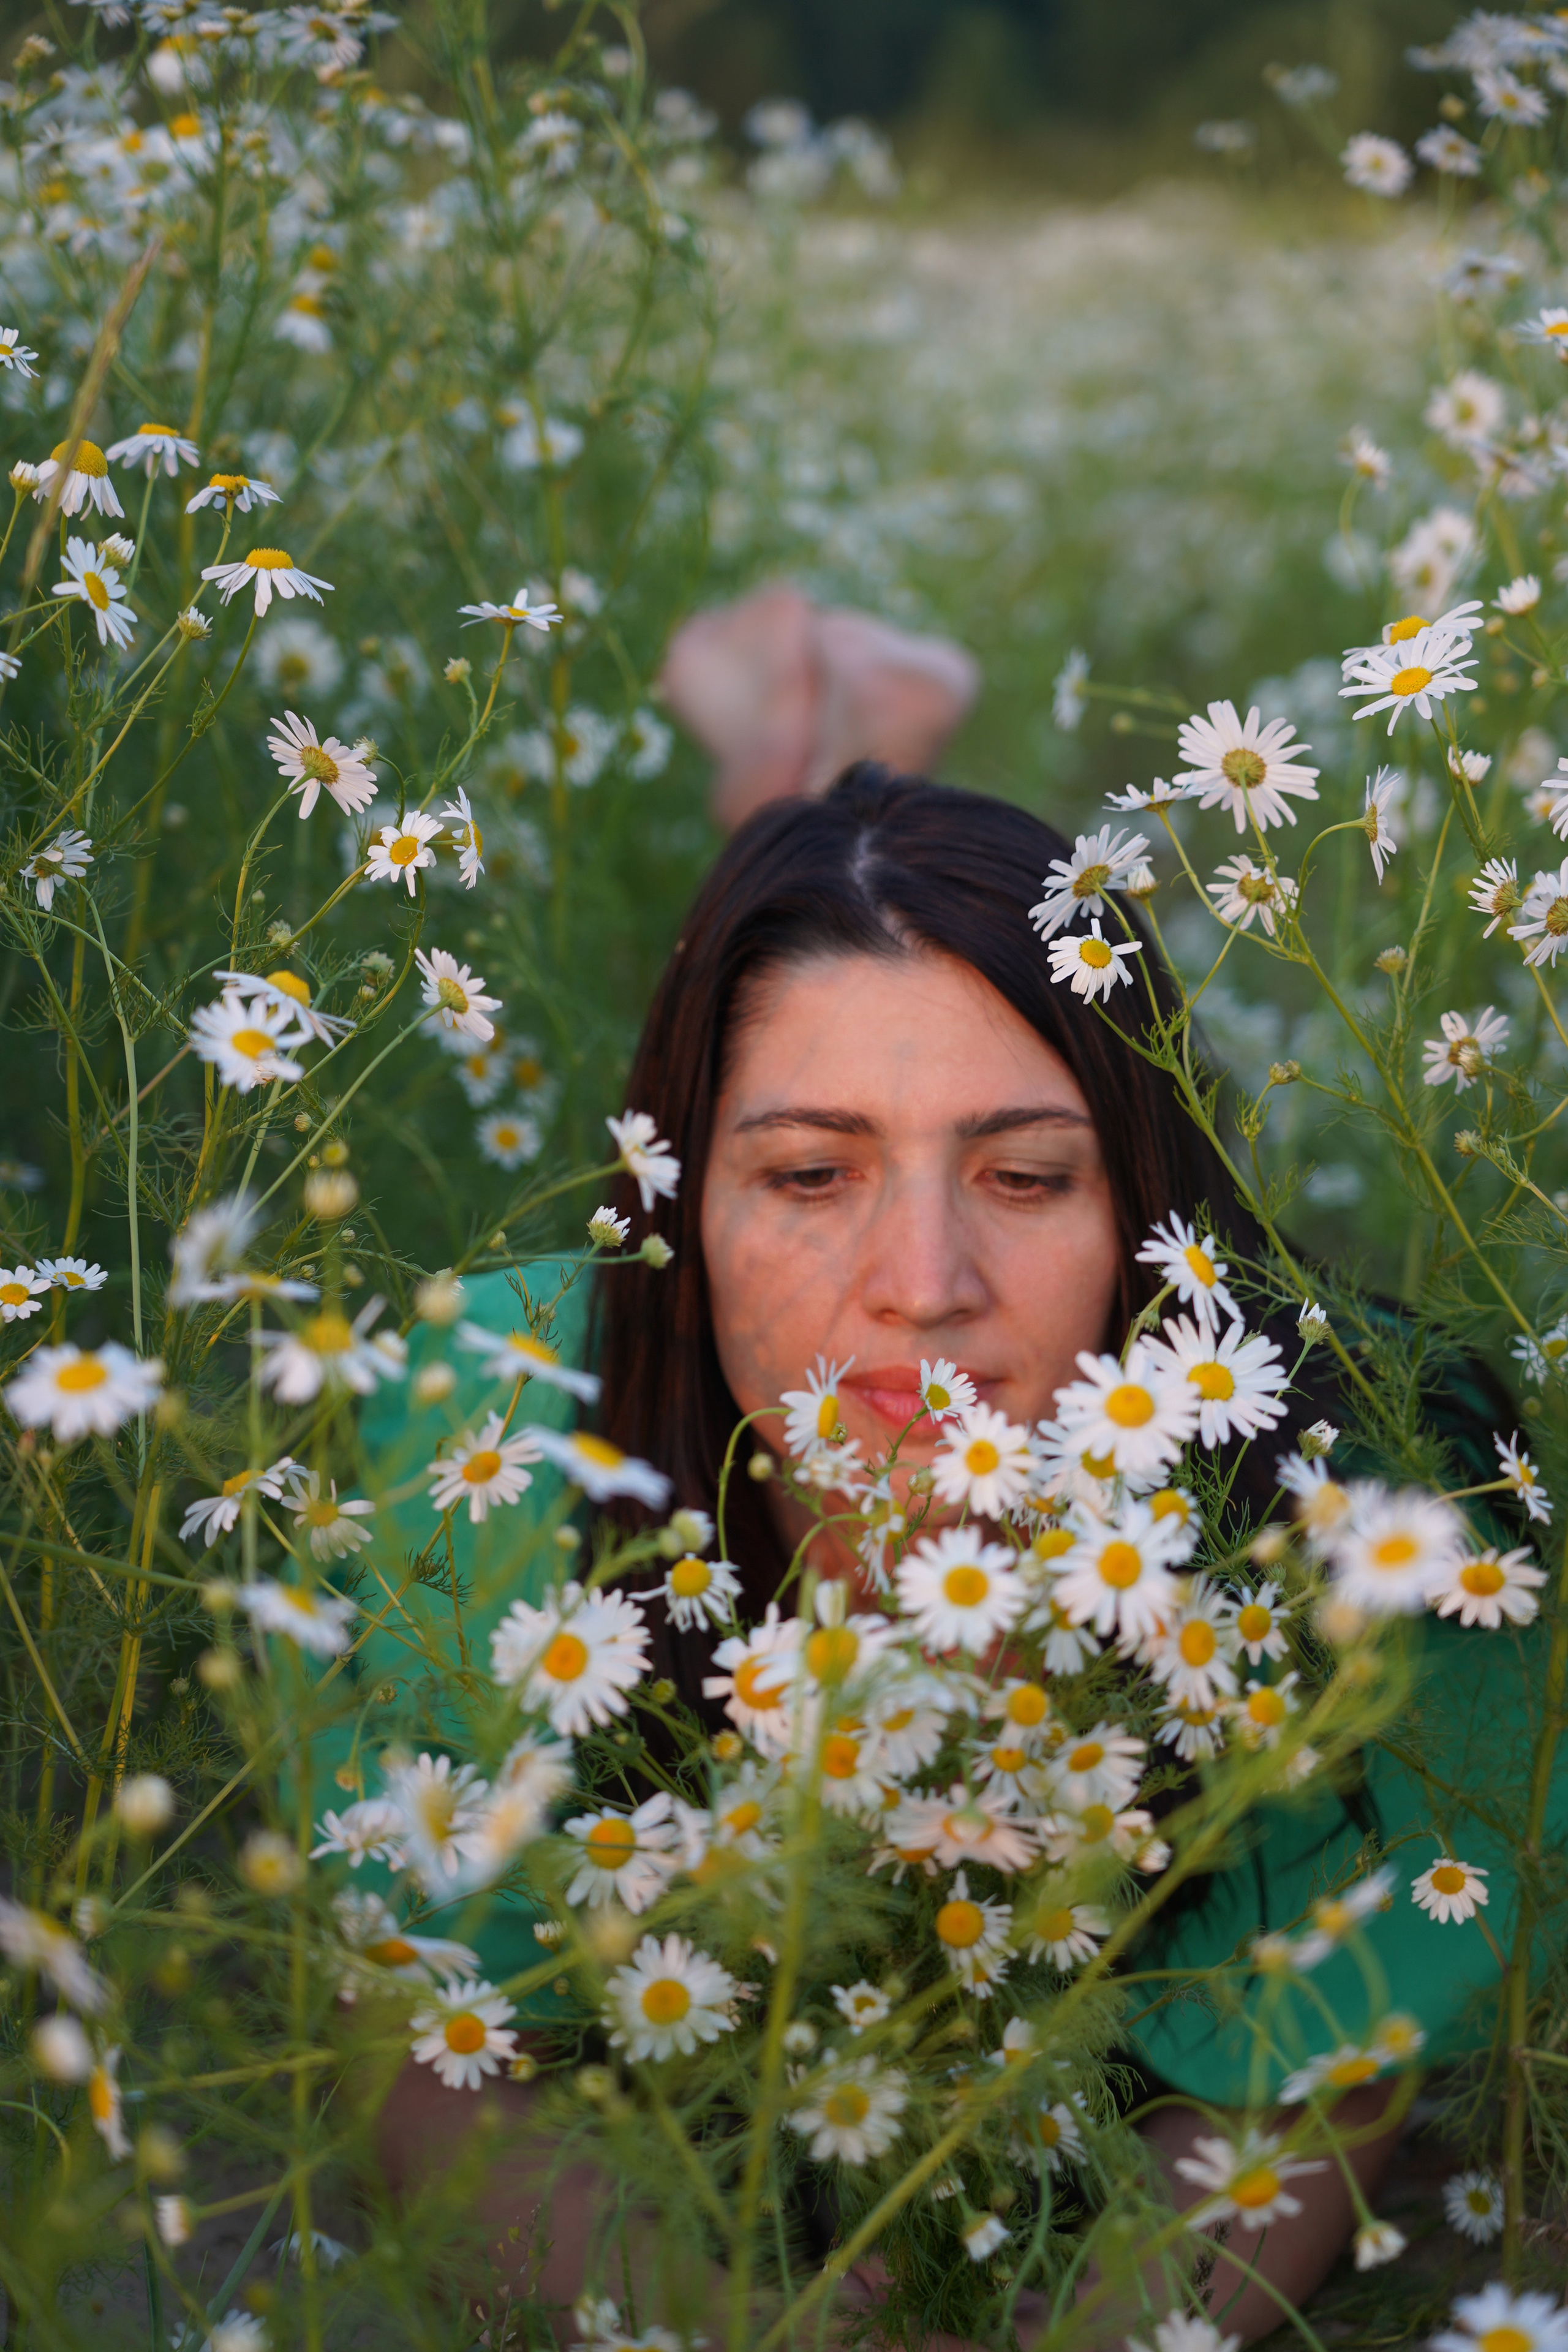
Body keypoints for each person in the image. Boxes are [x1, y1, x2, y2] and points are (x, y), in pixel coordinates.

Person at [349, 766, 1556, 2346]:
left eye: (1027, 1176)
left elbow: (1287, 2109)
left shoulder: (1386, 1532)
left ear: (1149, 1204)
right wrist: (729, 2319)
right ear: (676, 1206)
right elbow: (430, 2055)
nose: (922, 1285)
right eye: (807, 1174)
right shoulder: (488, 1429)